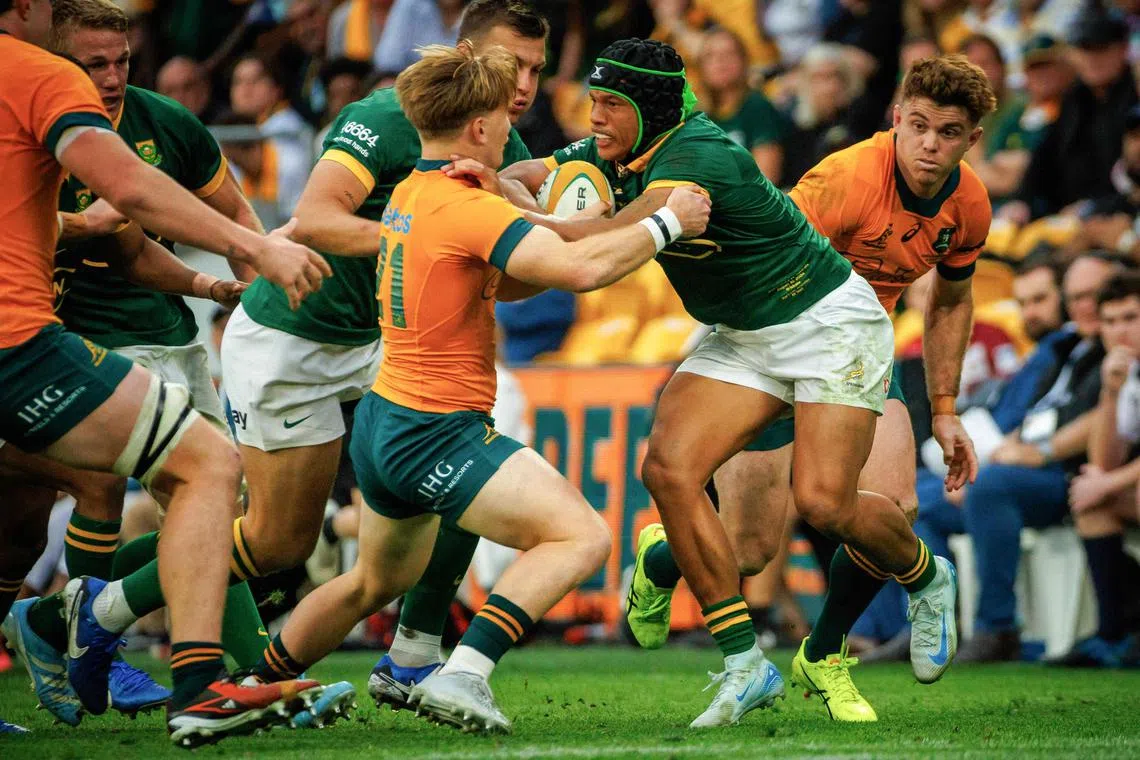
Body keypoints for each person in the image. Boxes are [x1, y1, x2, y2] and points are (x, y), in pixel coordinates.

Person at [244, 41, 710, 735]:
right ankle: (463, 673)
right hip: (434, 429)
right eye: (502, 113)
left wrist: (529, 208)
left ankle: (251, 685)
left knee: (372, 582)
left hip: (383, 418)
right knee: (579, 538)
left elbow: (512, 275)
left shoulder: (411, 190)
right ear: (481, 126)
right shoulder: (467, 206)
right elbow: (580, 272)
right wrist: (667, 221)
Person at [502, 39, 968, 729]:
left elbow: (600, 245)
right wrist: (512, 194)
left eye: (610, 105)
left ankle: (927, 576)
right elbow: (520, 172)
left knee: (826, 504)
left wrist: (526, 221)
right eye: (594, 101)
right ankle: (746, 666)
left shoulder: (696, 156)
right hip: (745, 334)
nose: (593, 117)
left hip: (827, 323)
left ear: (648, 110)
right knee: (669, 470)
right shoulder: (612, 150)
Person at [0, 0, 331, 745]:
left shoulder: (159, 121)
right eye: (94, 62)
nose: (111, 76)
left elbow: (130, 242)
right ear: (27, 11)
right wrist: (261, 250)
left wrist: (222, 281)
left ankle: (66, 624)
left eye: (121, 60)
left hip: (140, 338)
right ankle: (187, 675)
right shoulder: (39, 78)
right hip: (38, 341)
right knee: (193, 472)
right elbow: (130, 190)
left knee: (26, 527)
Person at [217, 0, 550, 713]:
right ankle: (102, 606)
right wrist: (422, 236)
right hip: (294, 334)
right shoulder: (387, 115)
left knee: (467, 450)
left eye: (536, 69)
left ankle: (414, 652)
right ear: (466, 54)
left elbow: (512, 269)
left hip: (376, 343)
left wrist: (562, 237)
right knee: (278, 543)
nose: (524, 85)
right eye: (513, 64)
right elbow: (316, 219)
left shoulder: (496, 137)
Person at [958, 253, 1118, 662]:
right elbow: (1035, 413)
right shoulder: (1067, 346)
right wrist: (994, 454)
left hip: (1069, 473)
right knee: (918, 498)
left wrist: (1038, 451)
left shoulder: (1117, 347)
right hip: (1038, 467)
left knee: (991, 486)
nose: (1086, 306)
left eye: (1096, 295)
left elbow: (1102, 413)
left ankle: (997, 626)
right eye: (1076, 297)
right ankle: (919, 627)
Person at [1052, 270, 1140, 667]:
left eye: (1130, 318)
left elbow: (1109, 474)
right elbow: (1103, 461)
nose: (1119, 331)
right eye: (1110, 321)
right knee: (1090, 499)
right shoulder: (1123, 372)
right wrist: (1111, 391)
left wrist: (1107, 483)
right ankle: (1113, 633)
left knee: (1099, 490)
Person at [696, 26, 787, 184]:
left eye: (729, 54)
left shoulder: (757, 107)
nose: (720, 62)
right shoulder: (698, 118)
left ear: (744, 61)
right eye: (710, 56)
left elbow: (766, 180)